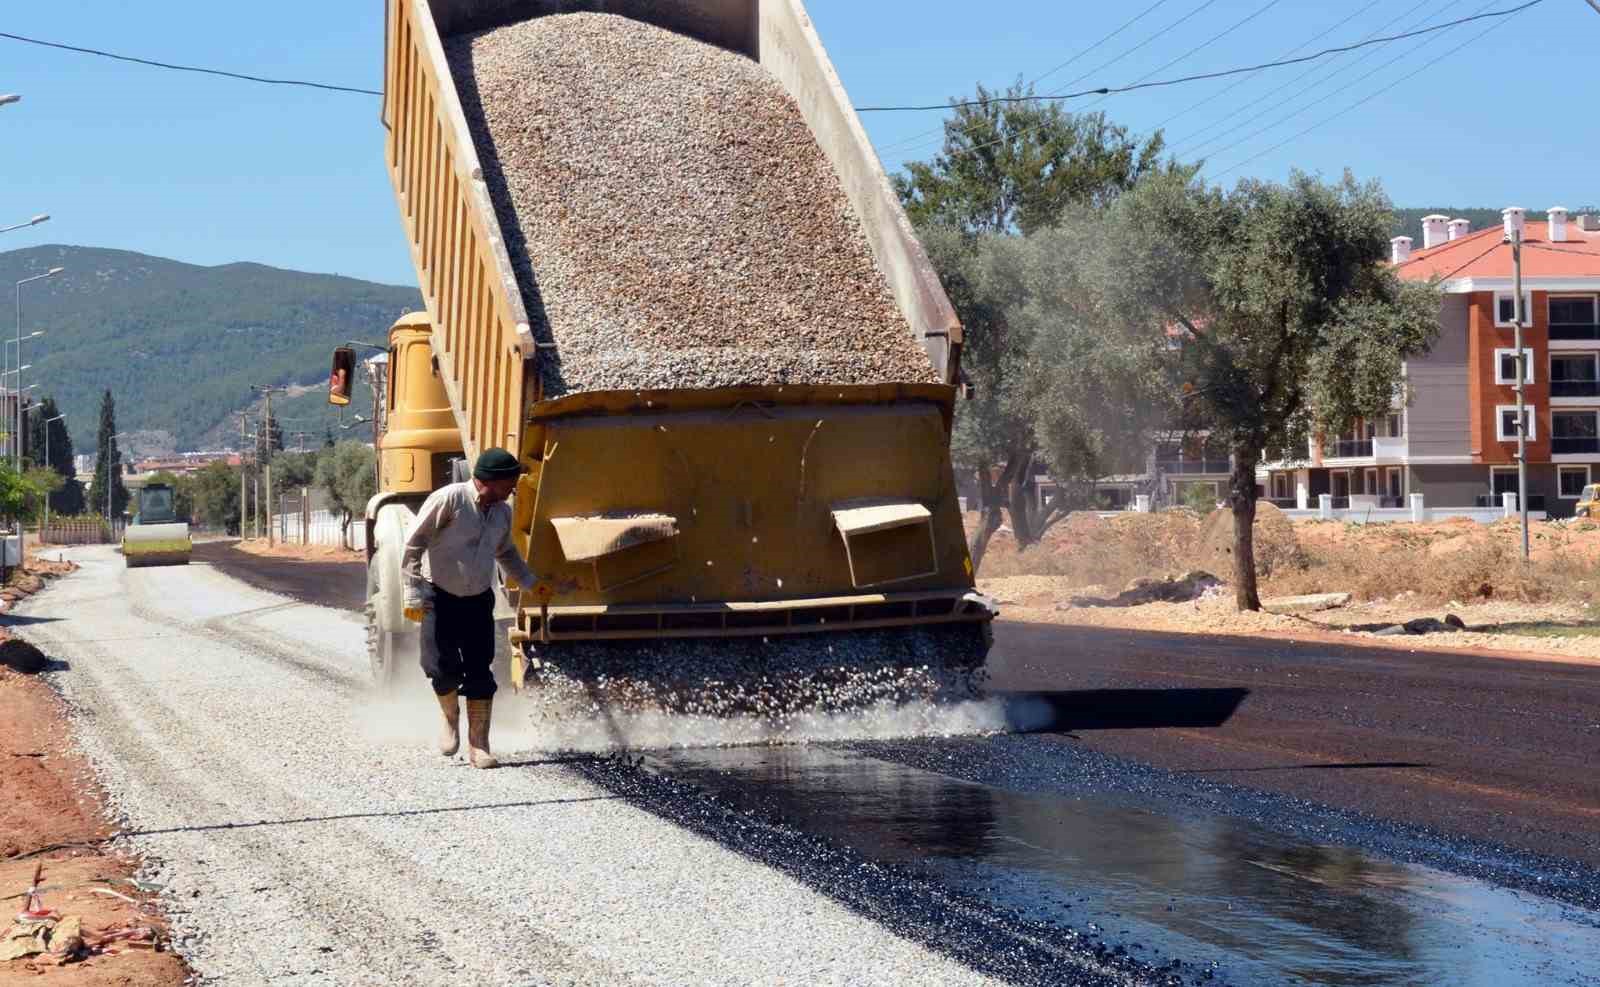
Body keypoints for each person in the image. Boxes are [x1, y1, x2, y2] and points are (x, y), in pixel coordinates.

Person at [400, 447, 536, 768]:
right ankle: (450, 717)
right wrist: (412, 592)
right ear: (488, 481)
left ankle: (479, 745)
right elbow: (413, 544)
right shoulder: (449, 500)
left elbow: (505, 552)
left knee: (479, 669)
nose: (513, 489)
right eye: (509, 483)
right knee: (438, 666)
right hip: (439, 595)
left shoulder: (503, 512)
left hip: (477, 599)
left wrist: (531, 581)